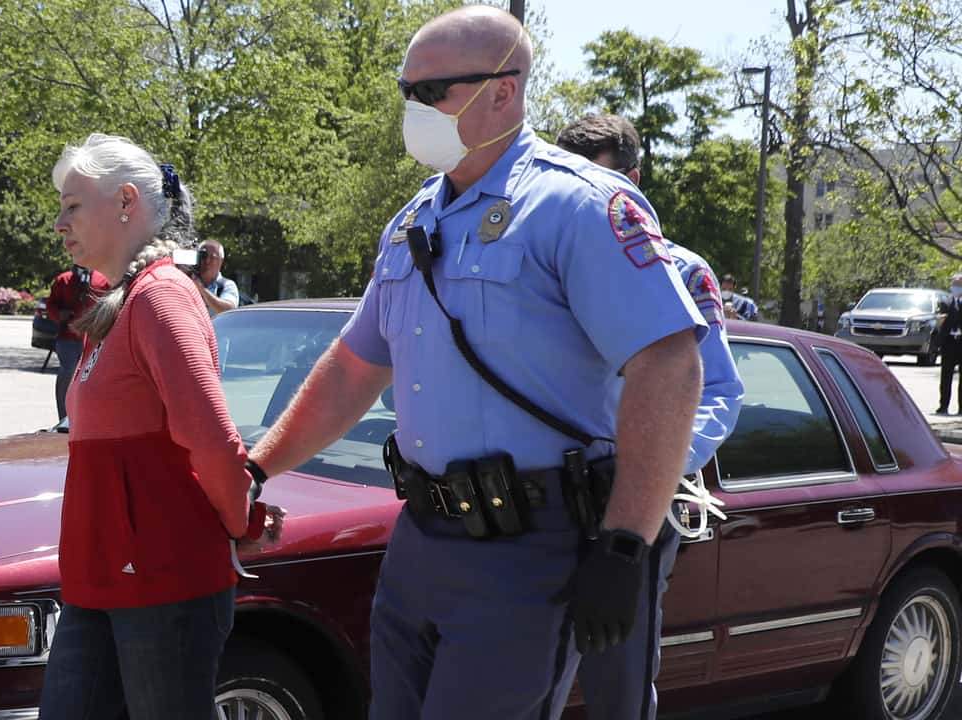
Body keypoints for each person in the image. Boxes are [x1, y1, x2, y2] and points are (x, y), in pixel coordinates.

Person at [247, 7, 706, 719]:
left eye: (433, 91)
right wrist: (256, 468)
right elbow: (353, 368)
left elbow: (670, 365)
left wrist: (625, 544)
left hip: (532, 544)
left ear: (504, 91)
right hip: (421, 538)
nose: (414, 109)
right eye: (407, 91)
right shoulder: (411, 223)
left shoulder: (578, 205)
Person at [40, 133, 278, 720]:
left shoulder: (162, 296)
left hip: (162, 581)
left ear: (125, 201)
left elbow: (213, 439)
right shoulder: (119, 302)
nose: (58, 223)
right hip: (101, 577)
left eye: (72, 206)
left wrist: (241, 519)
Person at [558, 112, 744, 720]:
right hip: (541, 500)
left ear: (633, 179)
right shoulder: (543, 262)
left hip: (628, 505)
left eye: (597, 178)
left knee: (618, 688)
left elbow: (718, 391)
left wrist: (651, 469)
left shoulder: (681, 271)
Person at [46, 264, 110, 421]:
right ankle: (64, 418)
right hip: (68, 337)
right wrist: (60, 314)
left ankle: (88, 418)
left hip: (94, 337)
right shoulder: (63, 279)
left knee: (93, 377)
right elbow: (51, 305)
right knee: (68, 372)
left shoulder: (102, 280)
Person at [936, 273, 962, 414]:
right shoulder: (945, 302)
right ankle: (943, 405)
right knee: (946, 376)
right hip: (949, 343)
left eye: (959, 285)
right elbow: (941, 320)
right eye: (955, 285)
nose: (957, 287)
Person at [194, 239, 240, 316]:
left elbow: (228, 311)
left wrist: (201, 289)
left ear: (221, 261)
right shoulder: (188, 282)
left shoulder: (227, 285)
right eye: (203, 256)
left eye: (212, 257)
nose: (207, 261)